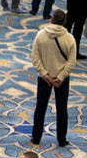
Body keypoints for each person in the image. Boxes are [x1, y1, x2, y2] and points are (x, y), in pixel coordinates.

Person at [29, 9, 77, 146]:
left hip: (44, 79)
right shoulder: (70, 38)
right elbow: (71, 62)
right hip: (62, 80)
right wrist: (61, 77)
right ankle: (62, 139)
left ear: (51, 20)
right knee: (62, 109)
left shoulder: (40, 35)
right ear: (64, 22)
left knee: (40, 107)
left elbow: (35, 58)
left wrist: (45, 74)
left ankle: (36, 138)